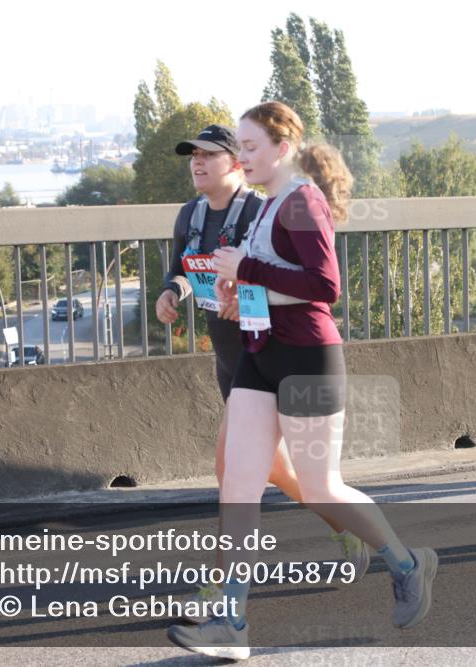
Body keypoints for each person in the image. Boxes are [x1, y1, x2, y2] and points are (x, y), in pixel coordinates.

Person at [166, 102, 437, 660]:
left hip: (307, 358)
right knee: (238, 486)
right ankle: (231, 623)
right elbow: (274, 284)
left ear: (281, 148)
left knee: (320, 486)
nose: (242, 156)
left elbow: (324, 284)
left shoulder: (300, 201)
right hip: (258, 356)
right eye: (238, 147)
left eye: (249, 147)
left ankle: (407, 562)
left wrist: (246, 270)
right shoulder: (267, 208)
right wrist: (238, 298)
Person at [157, 124, 369, 622]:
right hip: (232, 362)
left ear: (237, 163)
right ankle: (347, 527)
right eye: (193, 155)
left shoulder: (259, 209)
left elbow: (294, 279)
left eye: (210, 154)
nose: (197, 162)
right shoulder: (189, 215)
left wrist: (248, 301)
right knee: (275, 470)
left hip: (270, 355)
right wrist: (172, 294)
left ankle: (222, 594)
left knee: (231, 473)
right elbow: (184, 270)